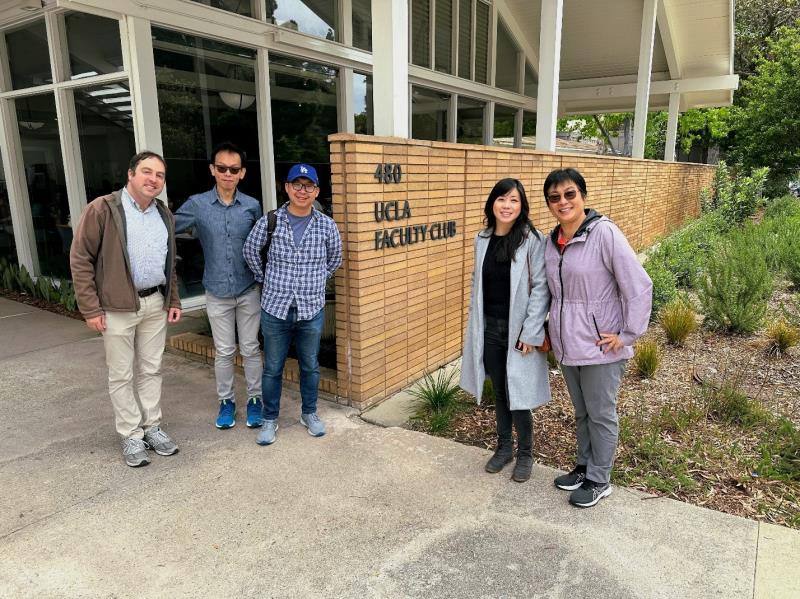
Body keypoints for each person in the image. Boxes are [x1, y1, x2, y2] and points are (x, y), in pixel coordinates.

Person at [543, 168, 652, 508]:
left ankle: (599, 479)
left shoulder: (604, 233)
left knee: (601, 414)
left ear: (583, 197)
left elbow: (638, 284)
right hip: (567, 345)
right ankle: (584, 466)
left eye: (570, 194)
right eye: (555, 197)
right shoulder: (551, 241)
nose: (563, 202)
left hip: (599, 347)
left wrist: (627, 334)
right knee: (582, 413)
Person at [70, 151, 182, 467]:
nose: (153, 179)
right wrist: (90, 309)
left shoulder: (163, 213)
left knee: (152, 368)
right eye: (147, 171)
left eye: (159, 175)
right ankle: (131, 435)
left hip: (154, 303)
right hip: (116, 307)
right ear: (130, 174)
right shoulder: (103, 209)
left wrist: (172, 299)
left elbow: (169, 261)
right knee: (121, 374)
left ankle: (152, 427)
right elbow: (80, 259)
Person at [243, 163, 342, 445]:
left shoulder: (326, 225)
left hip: (311, 308)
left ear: (317, 191)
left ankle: (309, 413)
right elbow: (250, 250)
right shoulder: (270, 221)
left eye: (308, 186)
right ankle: (270, 418)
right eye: (296, 185)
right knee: (273, 366)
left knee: (310, 365)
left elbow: (335, 259)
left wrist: (316, 279)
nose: (302, 190)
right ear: (286, 188)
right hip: (275, 307)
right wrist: (266, 279)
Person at [460, 178, 551, 483]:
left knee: (519, 395)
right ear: (492, 204)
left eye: (514, 200)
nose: (507, 205)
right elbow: (477, 284)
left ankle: (526, 454)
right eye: (502, 199)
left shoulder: (532, 240)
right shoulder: (482, 238)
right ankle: (504, 448)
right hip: (489, 329)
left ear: (522, 205)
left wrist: (531, 332)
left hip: (517, 333)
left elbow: (541, 288)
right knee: (499, 391)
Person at [175, 142, 264, 430]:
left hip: (248, 289)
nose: (227, 173)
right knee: (224, 351)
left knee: (250, 348)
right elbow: (167, 226)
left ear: (242, 173)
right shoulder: (198, 204)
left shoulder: (251, 206)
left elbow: (261, 245)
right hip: (216, 291)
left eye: (234, 169)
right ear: (213, 170)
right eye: (222, 168)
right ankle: (226, 401)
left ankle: (255, 399)